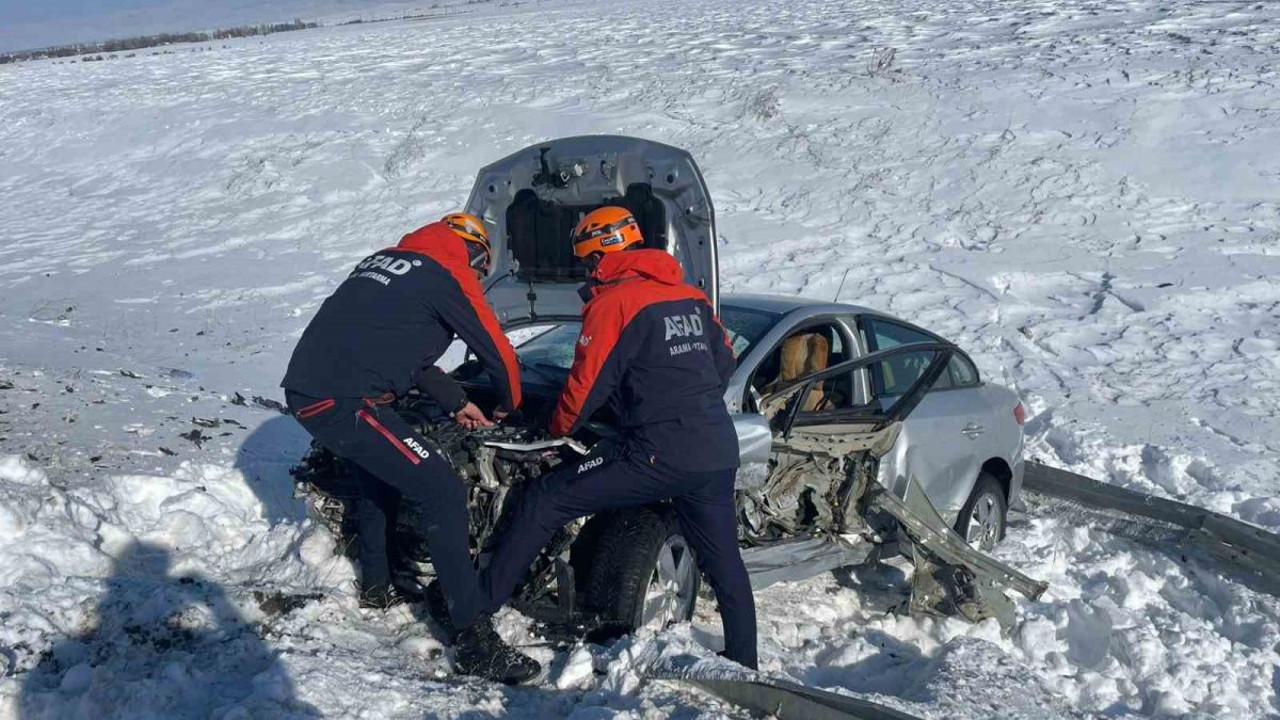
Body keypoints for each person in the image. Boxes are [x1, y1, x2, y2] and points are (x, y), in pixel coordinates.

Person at [478, 207, 758, 669]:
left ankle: (477, 610)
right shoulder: (690, 296)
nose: (586, 270)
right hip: (715, 449)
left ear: (599, 252)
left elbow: (583, 390)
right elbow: (723, 364)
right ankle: (744, 663)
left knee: (547, 498)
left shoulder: (615, 303)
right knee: (725, 563)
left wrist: (551, 430)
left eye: (585, 260)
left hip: (655, 452)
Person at [280, 212, 539, 684]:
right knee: (441, 489)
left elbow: (408, 359)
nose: (479, 278)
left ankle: (377, 588)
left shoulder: (386, 263)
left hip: (310, 392)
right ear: (476, 253)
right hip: (345, 402)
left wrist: (458, 402)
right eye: (481, 269)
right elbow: (499, 356)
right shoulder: (448, 273)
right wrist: (507, 406)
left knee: (379, 479)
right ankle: (474, 639)